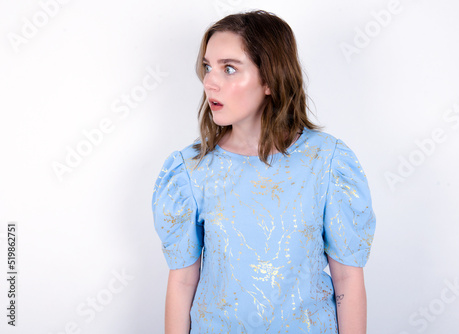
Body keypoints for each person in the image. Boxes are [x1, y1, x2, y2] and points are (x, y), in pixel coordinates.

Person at [152, 9, 376, 334]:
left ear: (270, 79)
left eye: (229, 68)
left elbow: (347, 278)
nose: (210, 82)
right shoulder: (191, 170)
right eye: (207, 67)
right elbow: (183, 280)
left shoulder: (326, 162)